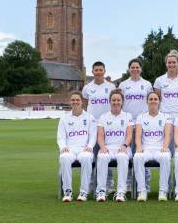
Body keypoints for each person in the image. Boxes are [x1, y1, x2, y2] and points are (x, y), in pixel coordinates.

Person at [82, 61, 116, 192]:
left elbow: (115, 103)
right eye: (96, 70)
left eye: (100, 70)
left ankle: (108, 184)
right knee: (91, 155)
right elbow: (84, 105)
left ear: (104, 71)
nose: (98, 72)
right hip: (92, 126)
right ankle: (91, 183)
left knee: (106, 153)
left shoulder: (111, 86)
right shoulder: (87, 88)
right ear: (92, 72)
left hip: (108, 125)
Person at [120, 58, 153, 191]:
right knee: (128, 153)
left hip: (143, 123)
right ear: (129, 69)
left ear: (141, 69)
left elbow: (151, 101)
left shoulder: (146, 84)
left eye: (137, 67)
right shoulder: (123, 85)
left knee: (142, 152)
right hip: (127, 123)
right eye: (132, 67)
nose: (135, 69)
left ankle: (146, 183)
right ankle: (128, 183)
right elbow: (120, 102)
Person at [57, 92, 97, 202]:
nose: (75, 102)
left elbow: (93, 135)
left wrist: (90, 146)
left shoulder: (90, 117)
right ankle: (67, 191)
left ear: (82, 102)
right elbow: (60, 137)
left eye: (77, 100)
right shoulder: (64, 119)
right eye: (73, 100)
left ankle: (83, 191)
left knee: (86, 158)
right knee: (64, 158)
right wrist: (63, 146)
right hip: (70, 149)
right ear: (70, 102)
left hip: (84, 149)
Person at [96, 89, 133, 202]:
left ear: (122, 102)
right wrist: (102, 147)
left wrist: (124, 145)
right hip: (108, 147)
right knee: (102, 157)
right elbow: (100, 137)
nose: (116, 102)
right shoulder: (103, 117)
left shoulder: (128, 116)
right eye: (113, 100)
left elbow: (129, 134)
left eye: (118, 100)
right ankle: (101, 191)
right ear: (110, 101)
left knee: (122, 157)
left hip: (123, 147)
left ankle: (121, 191)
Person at [134, 91, 172, 202]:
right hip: (146, 149)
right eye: (151, 99)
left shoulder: (166, 117)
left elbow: (168, 134)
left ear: (159, 101)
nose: (153, 101)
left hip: (160, 148)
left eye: (155, 99)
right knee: (137, 157)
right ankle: (142, 191)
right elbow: (138, 135)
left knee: (165, 157)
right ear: (147, 101)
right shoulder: (141, 117)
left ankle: (163, 191)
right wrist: (139, 147)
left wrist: (165, 146)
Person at [153, 50, 178, 120]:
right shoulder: (159, 80)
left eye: (174, 62)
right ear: (166, 64)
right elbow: (159, 99)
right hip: (164, 114)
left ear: (177, 63)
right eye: (169, 62)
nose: (171, 64)